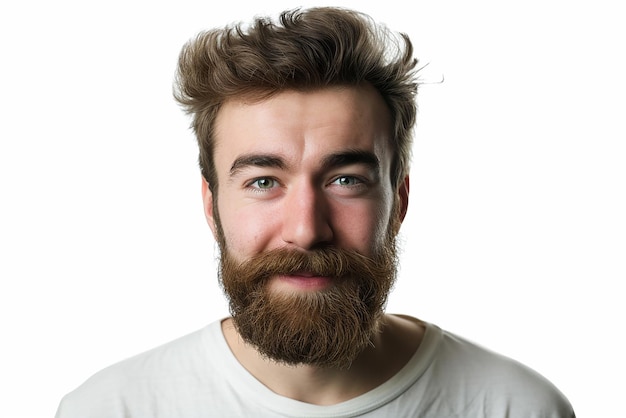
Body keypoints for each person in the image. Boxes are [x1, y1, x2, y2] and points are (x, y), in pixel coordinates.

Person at [55, 7, 575, 417]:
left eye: (345, 180)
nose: (306, 231)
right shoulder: (109, 410)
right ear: (212, 207)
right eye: (263, 182)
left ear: (399, 203)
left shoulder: (518, 408)